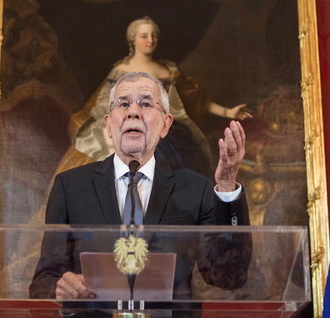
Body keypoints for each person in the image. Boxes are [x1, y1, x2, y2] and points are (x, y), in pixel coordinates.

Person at [30, 71, 252, 300]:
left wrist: (227, 189)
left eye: (146, 104)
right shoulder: (70, 187)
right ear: (108, 124)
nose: (133, 112)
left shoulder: (196, 189)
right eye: (123, 104)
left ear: (165, 125)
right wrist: (59, 288)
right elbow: (42, 283)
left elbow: (229, 276)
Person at [54, 16, 251, 180]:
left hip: (170, 136)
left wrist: (228, 112)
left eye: (153, 35)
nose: (150, 40)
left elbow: (195, 101)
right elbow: (103, 105)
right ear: (133, 40)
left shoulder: (168, 69)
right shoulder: (121, 70)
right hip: (132, 132)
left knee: (184, 177)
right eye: (144, 36)